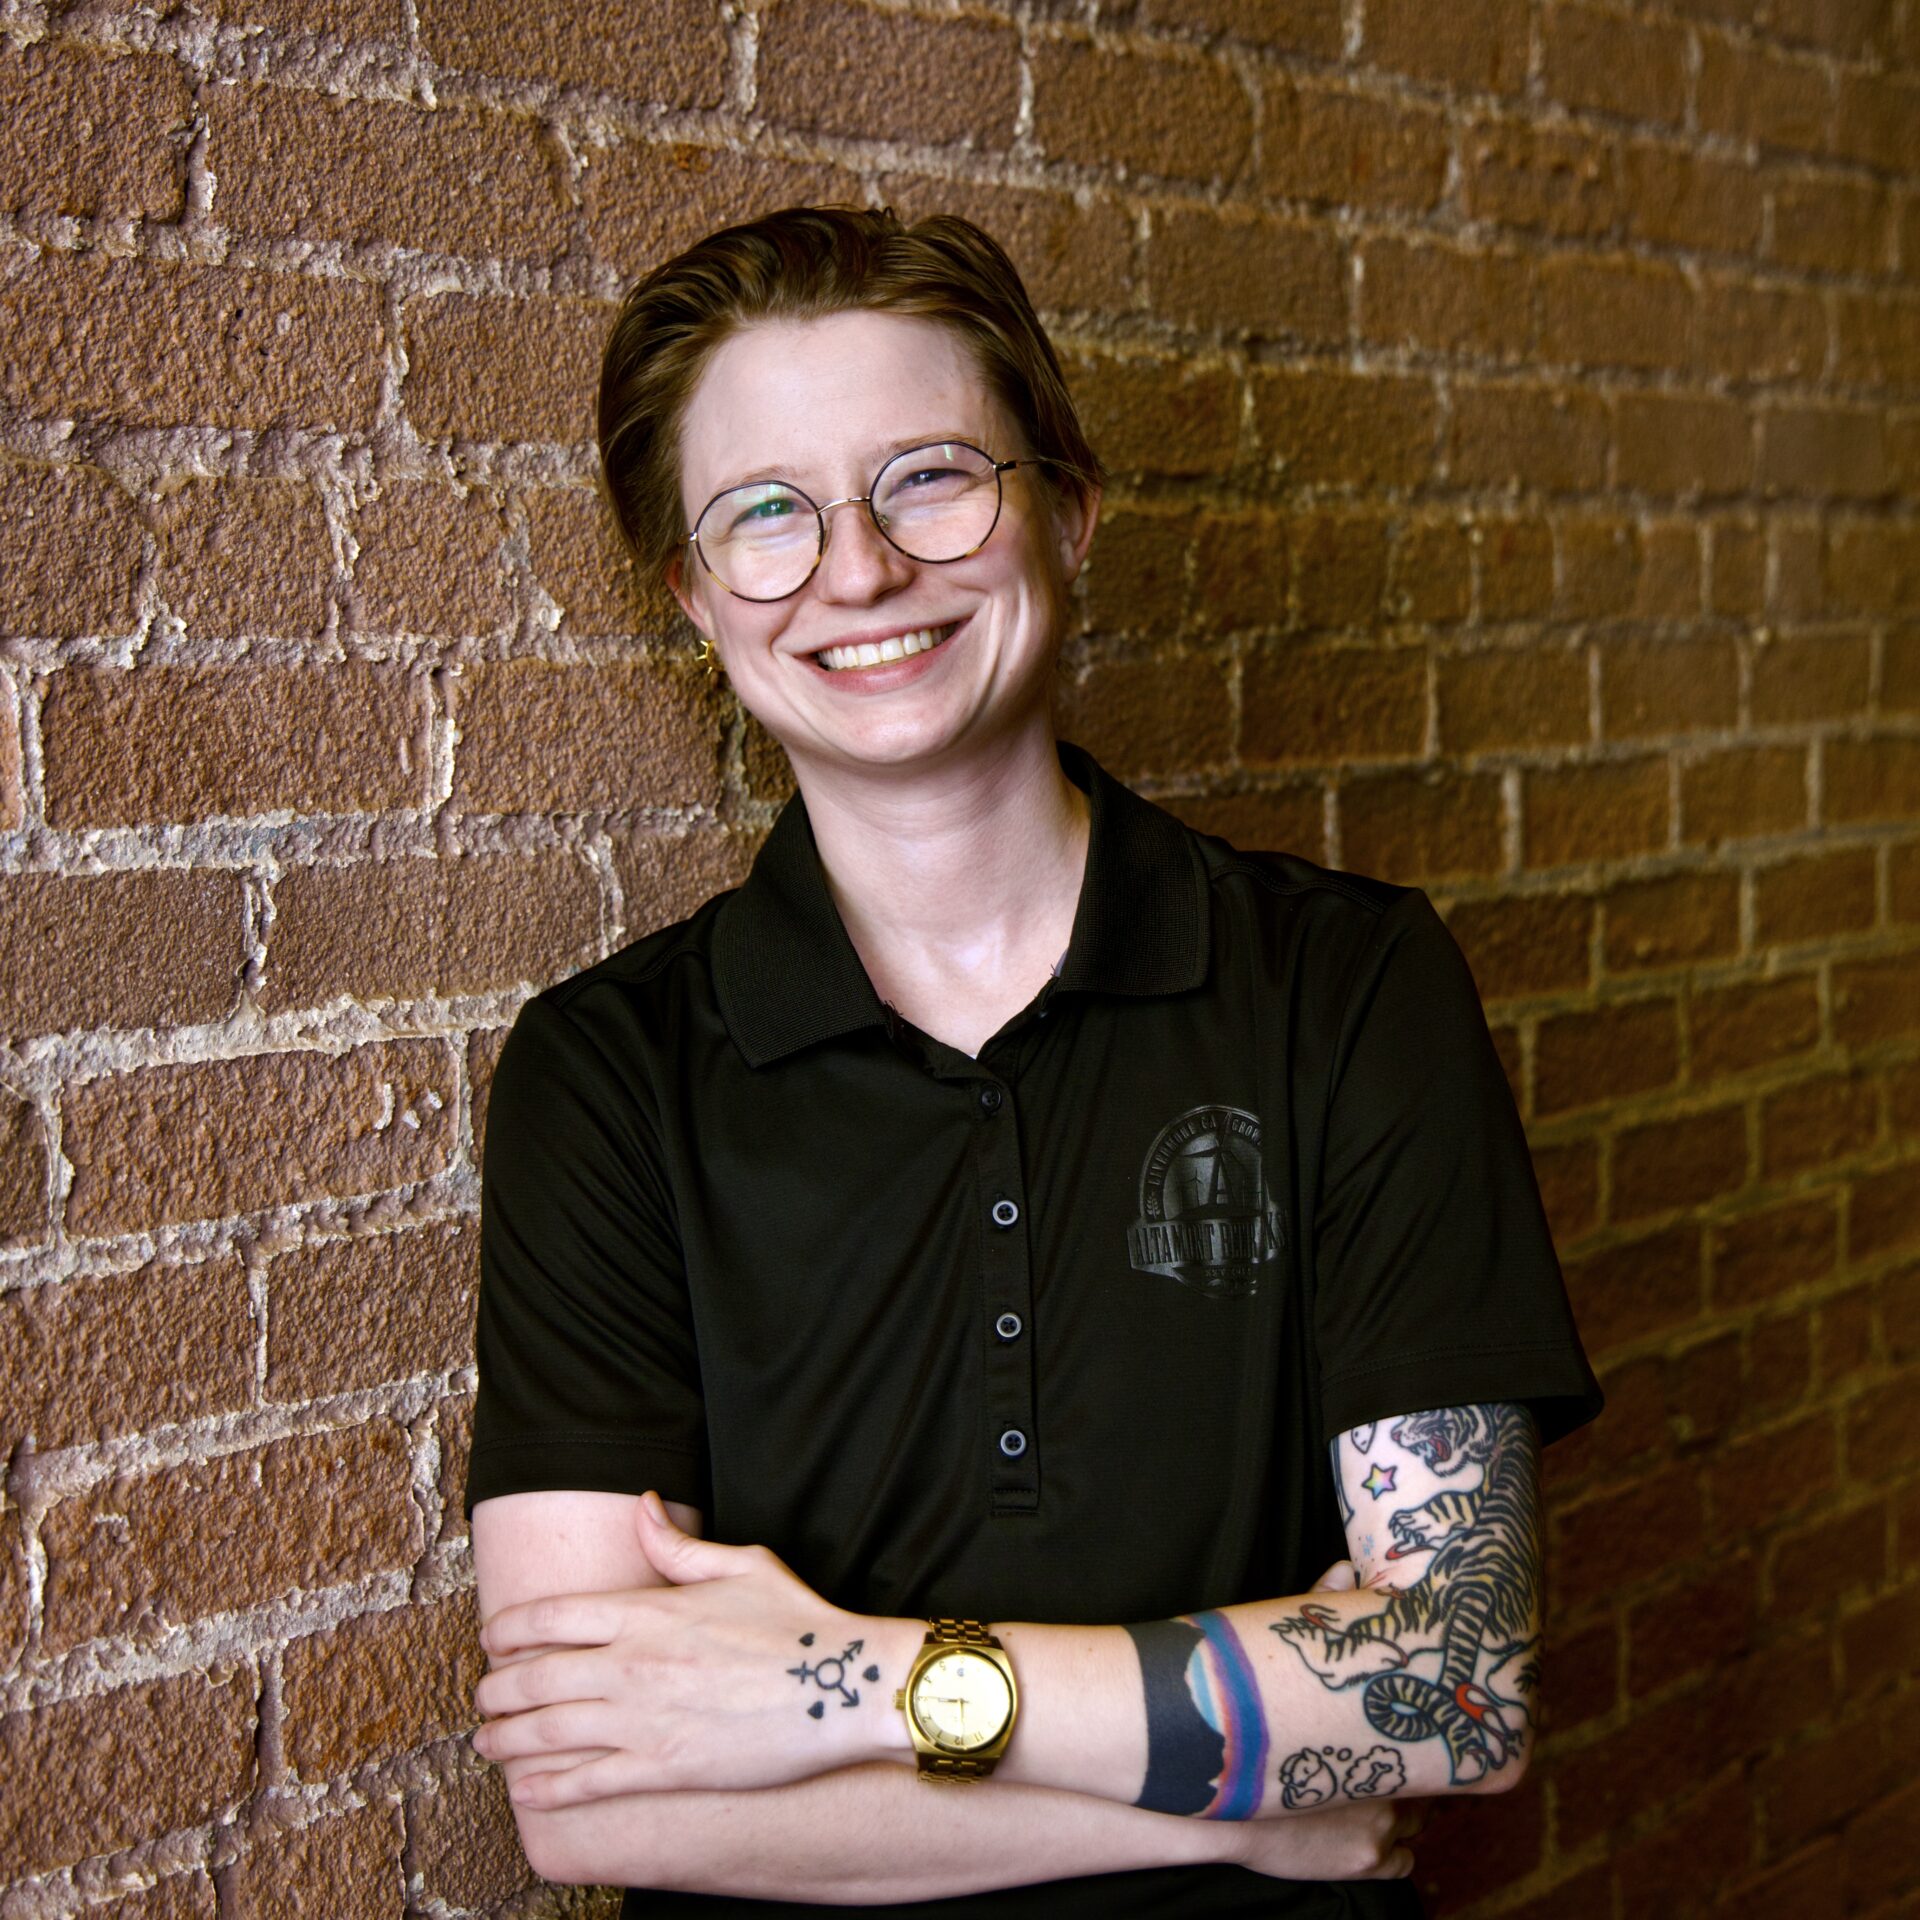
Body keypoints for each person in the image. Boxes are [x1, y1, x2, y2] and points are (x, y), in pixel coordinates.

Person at [462, 205, 1603, 1917]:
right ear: (696, 601)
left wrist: (816, 1682)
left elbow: (1452, 1678)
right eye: (766, 514)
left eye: (928, 476)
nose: (857, 570)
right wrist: (1221, 1809)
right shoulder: (602, 1076)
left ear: (1066, 510)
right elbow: (598, 1805)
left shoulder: (1348, 986)